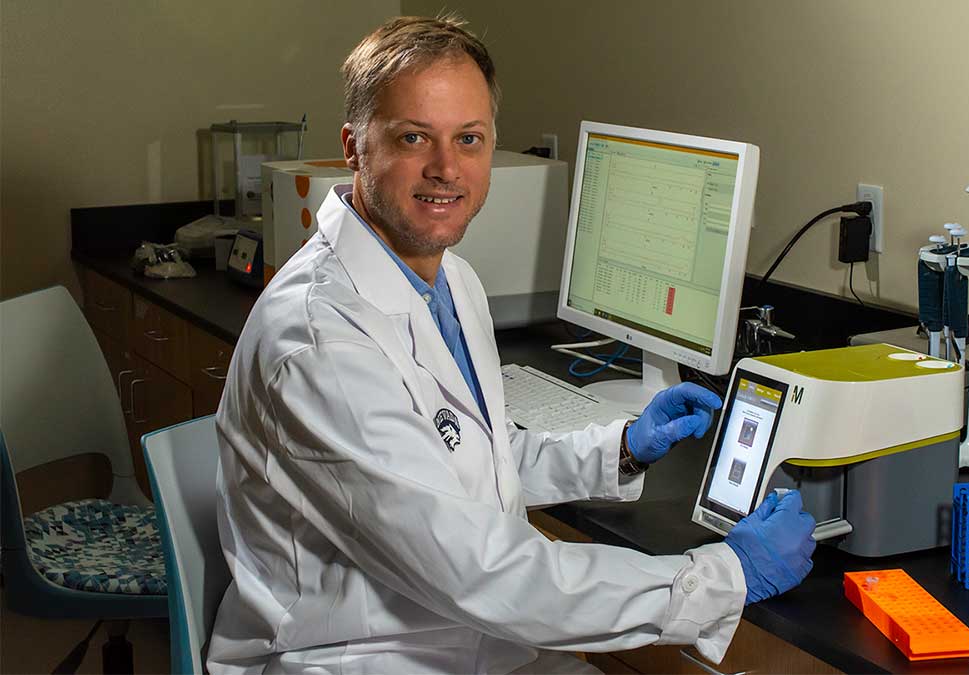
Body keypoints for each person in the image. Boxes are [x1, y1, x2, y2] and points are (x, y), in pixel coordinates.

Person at [210, 15, 817, 675]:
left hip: (454, 634)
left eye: (468, 138)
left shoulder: (449, 280)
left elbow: (466, 458)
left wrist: (617, 449)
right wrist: (725, 573)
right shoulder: (319, 337)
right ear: (354, 147)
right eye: (414, 136)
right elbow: (482, 573)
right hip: (354, 654)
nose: (446, 167)